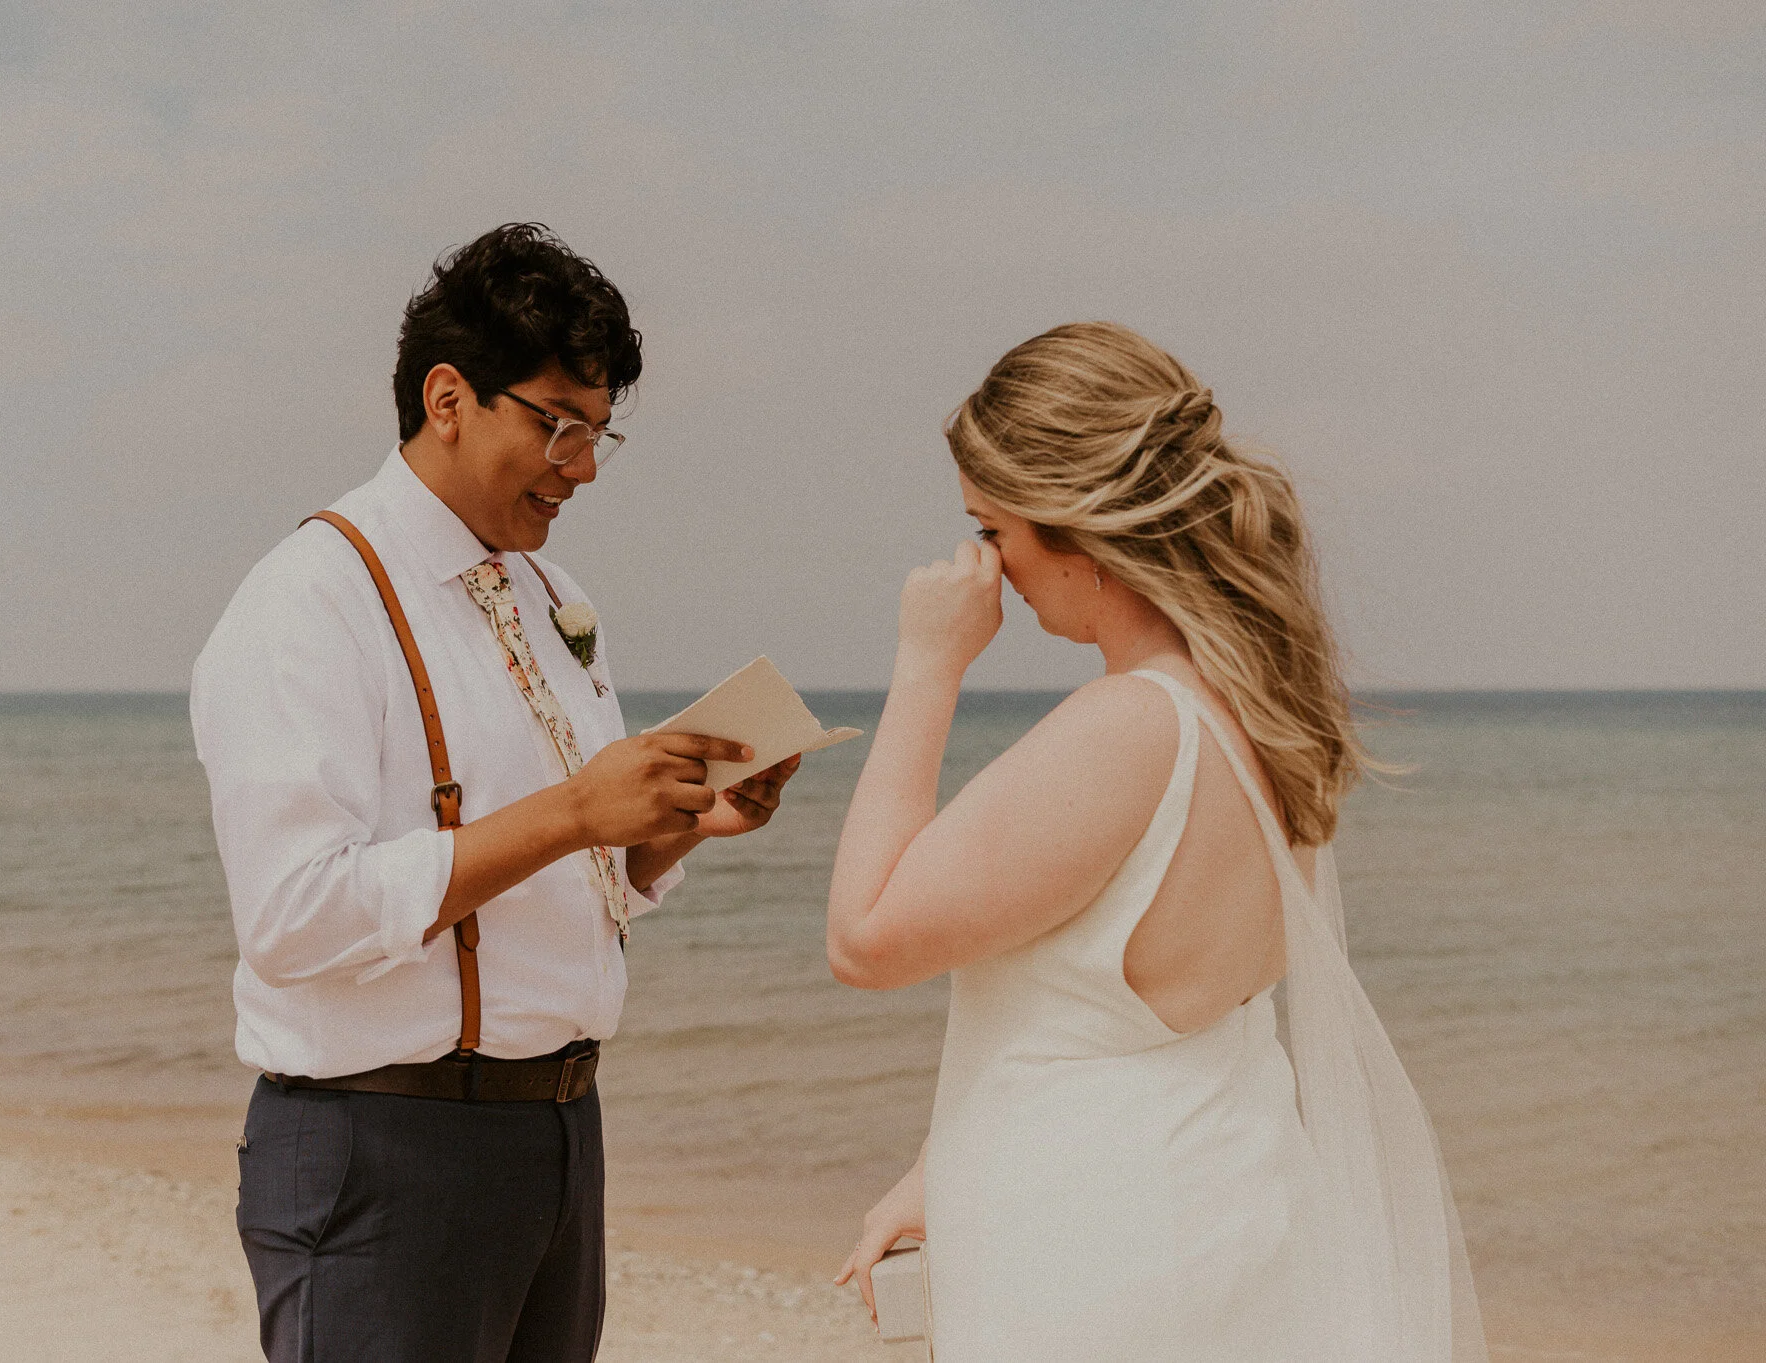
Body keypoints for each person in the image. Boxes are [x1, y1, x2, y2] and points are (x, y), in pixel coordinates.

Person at [190, 223, 801, 1363]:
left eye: (598, 432)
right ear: (447, 397)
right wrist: (577, 810)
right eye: (555, 424)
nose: (579, 465)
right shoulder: (308, 601)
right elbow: (291, 920)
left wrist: (667, 834)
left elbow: (564, 871)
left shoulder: (552, 592)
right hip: (379, 1145)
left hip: (560, 1135)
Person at [827, 323, 1485, 1361]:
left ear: (1077, 532)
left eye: (991, 529)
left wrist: (924, 665)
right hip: (1228, 1211)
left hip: (1095, 1254)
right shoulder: (1265, 716)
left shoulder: (1129, 727)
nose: (985, 565)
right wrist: (934, 1172)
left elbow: (863, 939)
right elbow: (1132, 1016)